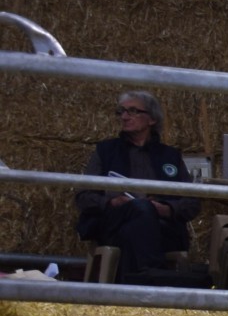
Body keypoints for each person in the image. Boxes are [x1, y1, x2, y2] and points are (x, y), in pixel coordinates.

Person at [75, 90, 198, 284]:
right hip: (114, 224)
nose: (124, 117)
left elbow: (192, 202)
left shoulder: (170, 156)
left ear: (151, 119)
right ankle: (151, 277)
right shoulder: (106, 151)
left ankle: (136, 282)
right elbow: (83, 196)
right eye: (122, 111)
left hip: (161, 229)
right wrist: (112, 202)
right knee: (140, 209)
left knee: (137, 223)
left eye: (133, 111)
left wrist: (167, 209)